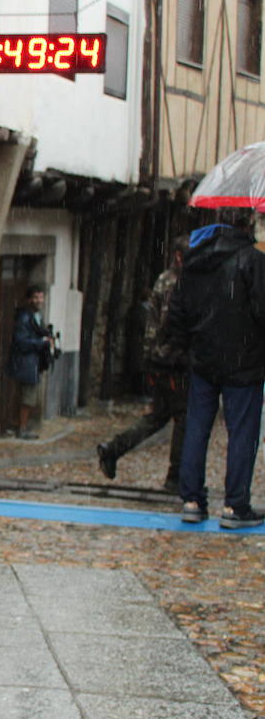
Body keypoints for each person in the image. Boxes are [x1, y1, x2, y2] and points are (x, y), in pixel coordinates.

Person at [164, 218, 265, 528]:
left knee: (197, 428)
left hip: (203, 359)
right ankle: (235, 505)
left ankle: (192, 500)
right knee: (242, 433)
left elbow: (177, 310)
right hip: (244, 361)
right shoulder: (252, 260)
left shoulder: (195, 261)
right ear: (248, 225)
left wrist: (185, 346)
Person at [96, 236, 189, 489]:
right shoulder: (177, 283)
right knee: (182, 417)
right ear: (180, 256)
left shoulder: (165, 279)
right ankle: (175, 476)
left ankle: (114, 448)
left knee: (159, 416)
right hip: (171, 361)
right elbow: (168, 324)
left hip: (160, 359)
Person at [6, 286, 54, 439]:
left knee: (29, 397)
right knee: (27, 397)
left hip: (32, 362)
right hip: (25, 363)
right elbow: (21, 342)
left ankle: (22, 426)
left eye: (41, 297)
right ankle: (21, 428)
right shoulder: (25, 317)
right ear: (29, 299)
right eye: (36, 297)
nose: (39, 301)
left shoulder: (35, 316)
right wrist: (42, 343)